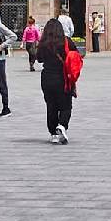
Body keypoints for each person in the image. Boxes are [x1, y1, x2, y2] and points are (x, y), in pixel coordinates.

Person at [38, 12, 73, 144]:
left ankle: (53, 133)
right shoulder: (66, 42)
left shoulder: (43, 43)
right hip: (63, 78)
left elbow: (39, 59)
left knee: (51, 106)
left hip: (47, 78)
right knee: (66, 106)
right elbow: (75, 56)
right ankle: (62, 125)